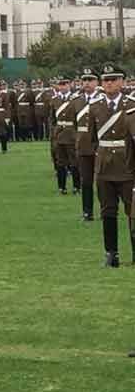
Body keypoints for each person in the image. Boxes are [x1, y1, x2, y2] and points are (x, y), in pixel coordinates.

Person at [89, 64, 135, 268]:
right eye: (106, 80)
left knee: (133, 212)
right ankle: (111, 253)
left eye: (113, 79)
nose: (109, 83)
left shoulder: (132, 106)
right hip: (104, 168)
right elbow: (92, 140)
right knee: (107, 211)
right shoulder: (95, 107)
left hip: (127, 167)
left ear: (122, 82)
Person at [73, 68, 102, 221]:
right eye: (84, 80)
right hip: (83, 145)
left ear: (97, 82)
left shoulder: (103, 99)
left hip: (101, 145)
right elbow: (73, 124)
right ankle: (87, 211)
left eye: (90, 80)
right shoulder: (76, 100)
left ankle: (107, 210)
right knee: (86, 181)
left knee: (104, 182)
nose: (87, 83)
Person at [50, 77, 80, 194]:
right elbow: (52, 119)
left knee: (74, 162)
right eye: (61, 85)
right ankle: (61, 187)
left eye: (65, 84)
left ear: (70, 85)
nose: (63, 87)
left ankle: (76, 187)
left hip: (71, 133)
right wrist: (53, 133)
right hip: (59, 134)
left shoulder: (76, 99)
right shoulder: (55, 99)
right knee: (60, 162)